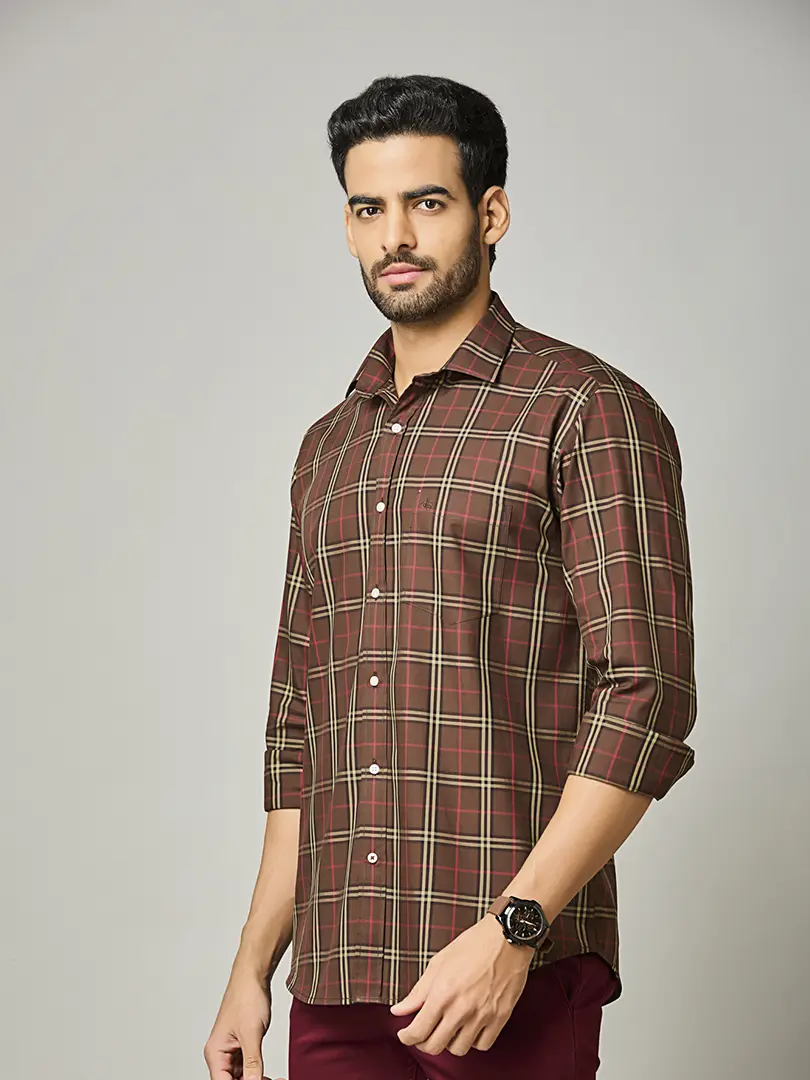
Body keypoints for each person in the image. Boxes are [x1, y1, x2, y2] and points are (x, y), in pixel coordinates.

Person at [204, 73, 698, 1080]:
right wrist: (252, 969)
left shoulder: (584, 409)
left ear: (491, 213)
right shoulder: (328, 447)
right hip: (337, 978)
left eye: (426, 202)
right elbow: (301, 726)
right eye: (367, 208)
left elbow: (645, 697)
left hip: (507, 973)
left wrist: (514, 931)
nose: (395, 235)